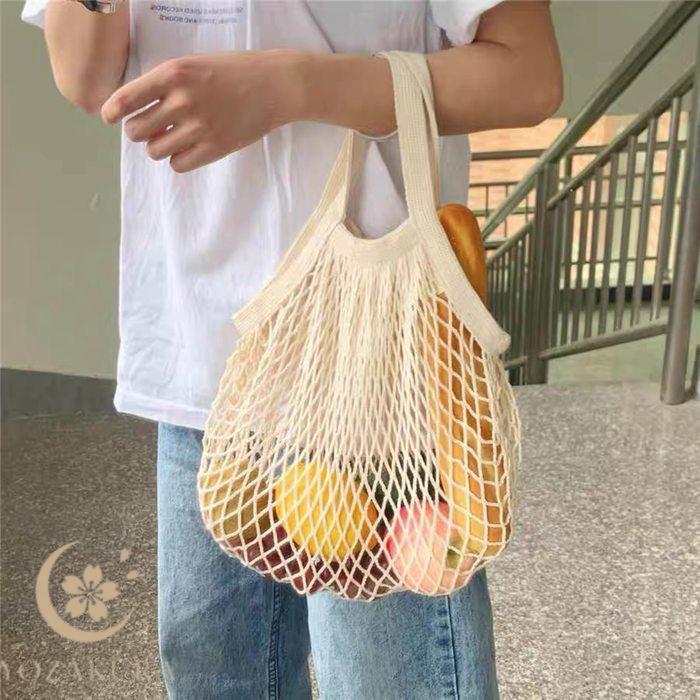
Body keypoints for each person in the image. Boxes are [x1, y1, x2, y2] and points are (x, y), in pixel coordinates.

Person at [23, 1, 561, 697]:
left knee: (387, 681)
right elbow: (87, 76)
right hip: (203, 360)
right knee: (219, 678)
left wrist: (291, 86)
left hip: (378, 371)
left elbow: (528, 76)